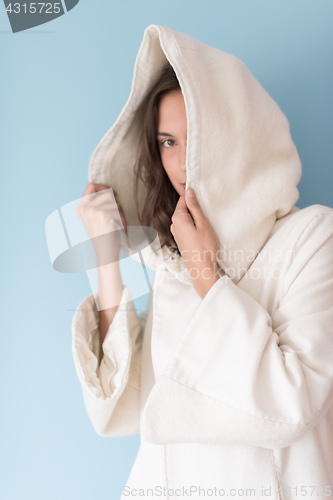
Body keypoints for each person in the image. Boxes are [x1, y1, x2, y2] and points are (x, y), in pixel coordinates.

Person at [72, 25, 333, 500]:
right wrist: (107, 258)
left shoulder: (312, 237)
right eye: (168, 141)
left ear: (238, 134)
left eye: (197, 137)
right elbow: (122, 407)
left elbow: (292, 402)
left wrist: (207, 275)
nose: (183, 162)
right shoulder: (170, 264)